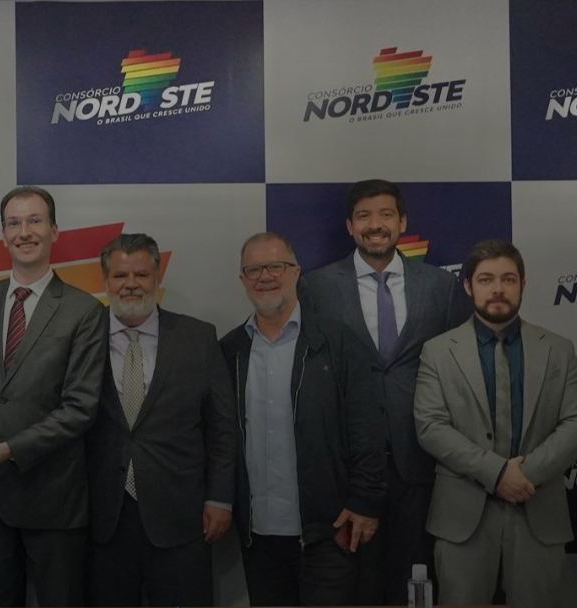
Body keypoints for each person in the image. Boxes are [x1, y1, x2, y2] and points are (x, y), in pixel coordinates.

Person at [298, 178, 469, 604]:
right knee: (357, 588)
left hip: (421, 462)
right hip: (348, 469)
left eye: (386, 214)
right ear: (349, 226)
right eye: (364, 216)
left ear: (403, 222)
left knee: (415, 586)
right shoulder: (316, 288)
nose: (375, 225)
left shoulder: (441, 286)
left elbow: (459, 373)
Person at [0, 186, 105, 607]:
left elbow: (80, 408)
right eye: (14, 223)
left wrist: (8, 450)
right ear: (2, 234)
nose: (24, 232)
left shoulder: (84, 311)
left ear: (54, 230)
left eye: (35, 220)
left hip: (54, 498)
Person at [221, 232, 386, 607]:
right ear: (243, 279)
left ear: (296, 272)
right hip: (258, 538)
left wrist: (365, 500)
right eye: (254, 269)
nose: (265, 276)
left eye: (275, 266)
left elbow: (367, 428)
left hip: (328, 532)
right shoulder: (230, 351)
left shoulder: (338, 342)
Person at [414, 239, 577, 608]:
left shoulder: (559, 349)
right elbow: (430, 426)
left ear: (523, 284)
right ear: (468, 286)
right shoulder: (438, 352)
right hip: (462, 519)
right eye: (486, 279)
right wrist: (498, 473)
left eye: (508, 279)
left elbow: (574, 423)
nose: (498, 289)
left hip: (539, 511)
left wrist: (524, 475)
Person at [84, 233, 237, 607]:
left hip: (182, 517)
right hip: (102, 518)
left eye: (141, 274)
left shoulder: (198, 337)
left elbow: (222, 428)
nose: (131, 284)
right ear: (105, 281)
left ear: (157, 277)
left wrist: (220, 498)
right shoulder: (80, 337)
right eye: (120, 275)